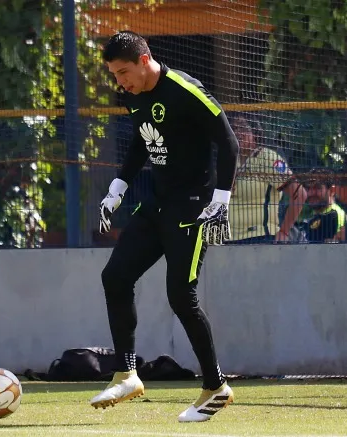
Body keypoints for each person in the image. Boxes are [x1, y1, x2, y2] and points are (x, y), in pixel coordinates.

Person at [93, 31, 238, 422]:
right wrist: (118, 188)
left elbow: (228, 143)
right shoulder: (133, 94)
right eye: (114, 75)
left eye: (123, 72)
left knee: (181, 297)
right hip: (157, 203)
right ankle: (126, 374)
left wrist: (221, 200)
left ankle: (216, 387)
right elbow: (143, 141)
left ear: (144, 61)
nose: (120, 82)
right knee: (115, 277)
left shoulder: (185, 90)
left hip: (192, 207)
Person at [227, 115, 307, 243]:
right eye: (234, 129)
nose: (238, 133)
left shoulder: (267, 158)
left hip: (259, 239)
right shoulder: (230, 162)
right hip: (228, 240)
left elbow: (300, 194)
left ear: (255, 133)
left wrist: (284, 232)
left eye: (243, 128)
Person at [298, 168, 346, 243]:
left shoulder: (334, 215)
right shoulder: (314, 214)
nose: (311, 193)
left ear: (331, 190)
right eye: (308, 188)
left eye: (317, 188)